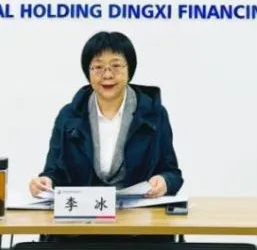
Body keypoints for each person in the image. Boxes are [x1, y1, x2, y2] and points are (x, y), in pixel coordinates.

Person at [29, 31, 183, 198]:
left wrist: (164, 181)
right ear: (88, 71)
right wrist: (45, 181)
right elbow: (53, 172)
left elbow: (172, 174)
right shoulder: (69, 116)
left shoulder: (154, 114)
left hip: (137, 210)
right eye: (98, 67)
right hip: (83, 210)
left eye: (116, 66)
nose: (107, 75)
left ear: (129, 69)